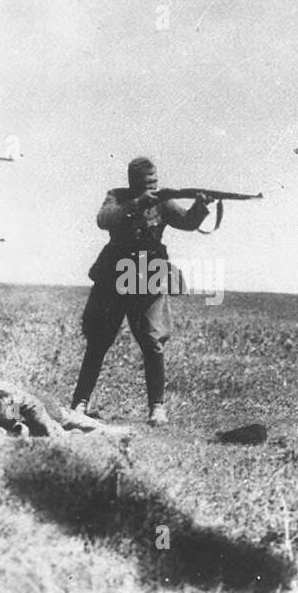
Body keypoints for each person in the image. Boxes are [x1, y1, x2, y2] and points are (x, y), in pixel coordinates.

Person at [70, 157, 211, 425]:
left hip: (148, 273)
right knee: (99, 340)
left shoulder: (163, 202)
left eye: (154, 182)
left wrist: (201, 205)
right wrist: (135, 204)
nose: (152, 187)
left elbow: (187, 222)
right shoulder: (117, 197)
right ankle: (80, 403)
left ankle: (156, 407)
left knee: (152, 341)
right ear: (132, 182)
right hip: (115, 272)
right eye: (147, 183)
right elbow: (103, 219)